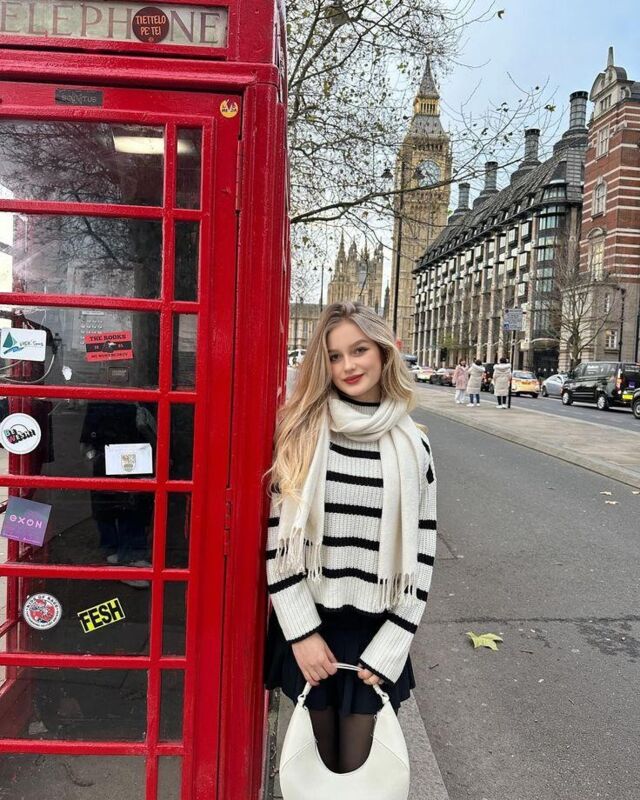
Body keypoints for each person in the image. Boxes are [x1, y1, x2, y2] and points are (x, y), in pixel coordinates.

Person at [264, 301, 437, 775]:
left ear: (383, 352)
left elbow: (423, 551)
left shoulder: (414, 445)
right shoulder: (301, 431)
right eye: (334, 356)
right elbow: (278, 544)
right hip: (311, 628)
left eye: (359, 350)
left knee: (363, 774)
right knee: (315, 772)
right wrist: (301, 633)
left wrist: (394, 643)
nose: (348, 366)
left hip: (376, 633)